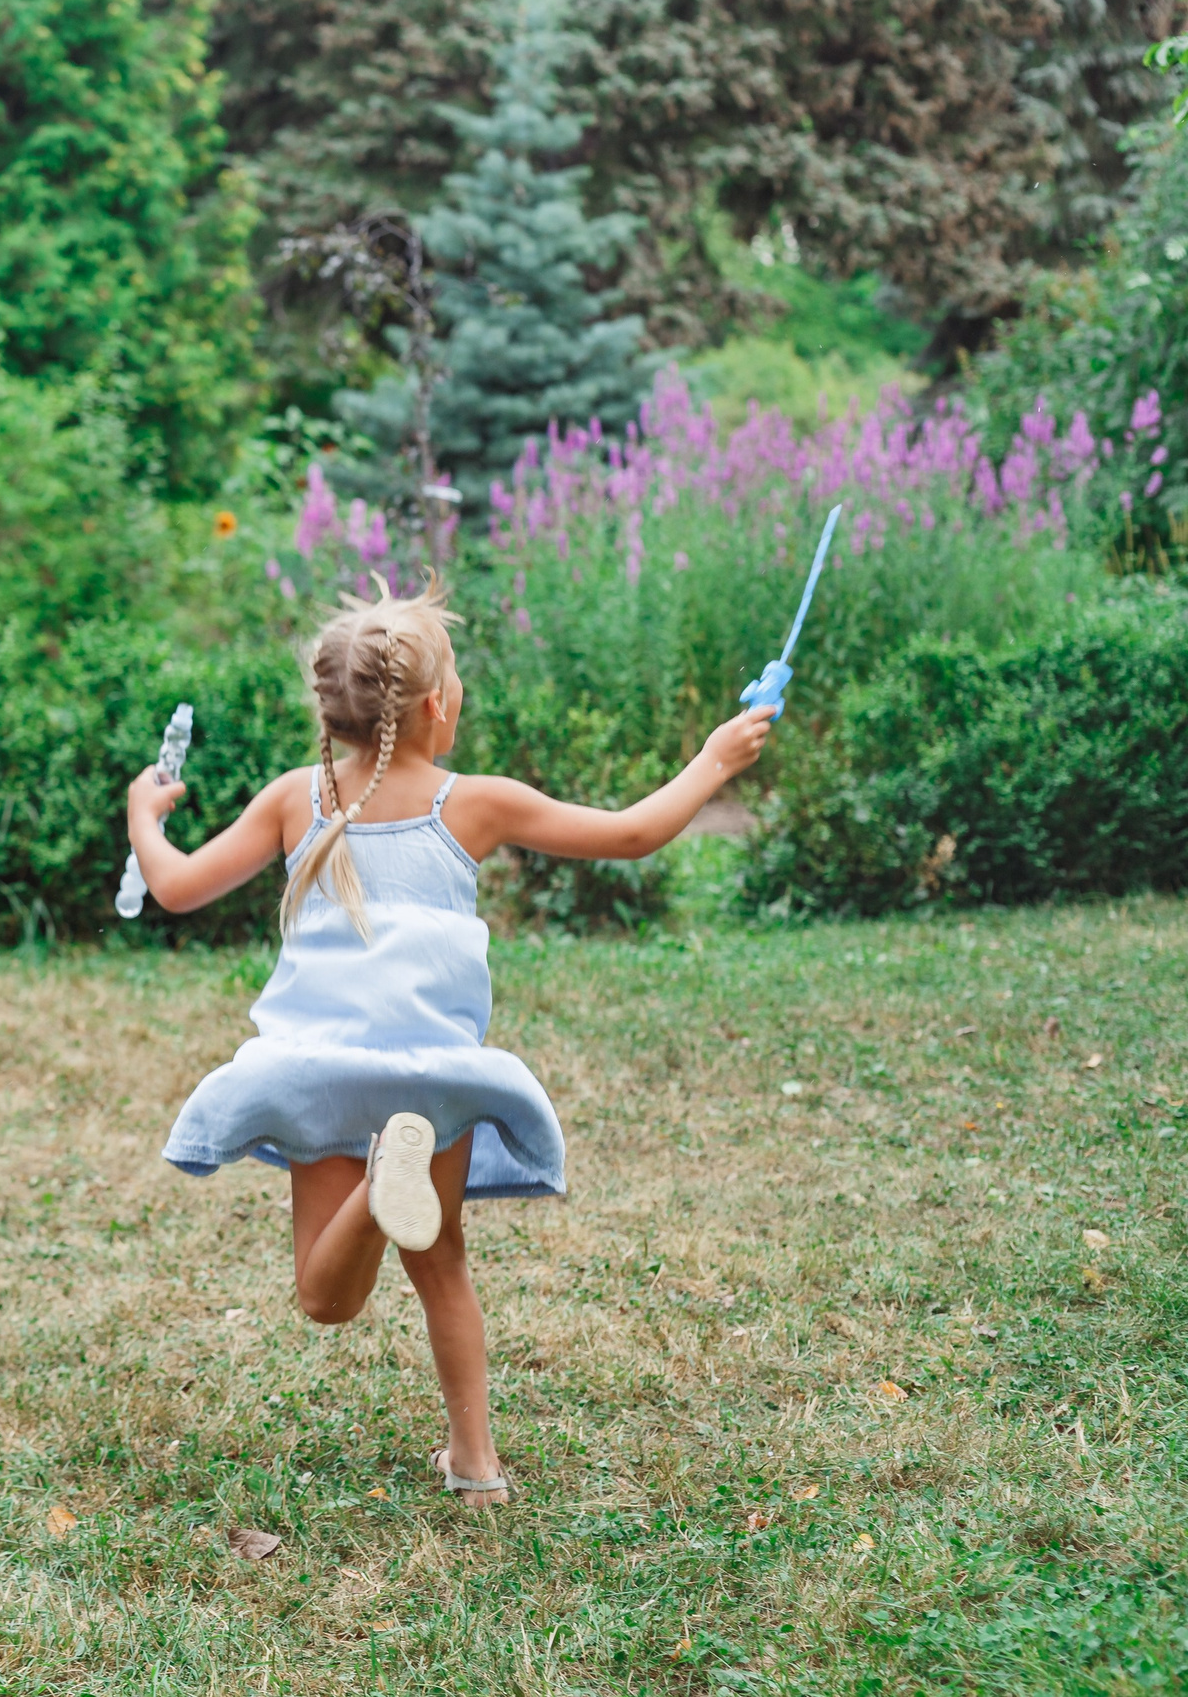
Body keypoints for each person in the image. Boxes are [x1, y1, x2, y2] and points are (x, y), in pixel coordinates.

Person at [123, 576, 775, 1507]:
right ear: (437, 704)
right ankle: (475, 1464)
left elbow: (179, 886)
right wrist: (714, 758)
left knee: (326, 1299)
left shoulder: (290, 799)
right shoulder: (478, 802)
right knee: (444, 1266)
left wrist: (145, 821)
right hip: (433, 1073)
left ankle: (378, 1178)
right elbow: (632, 833)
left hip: (321, 1075)